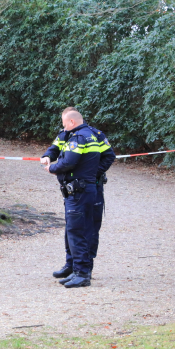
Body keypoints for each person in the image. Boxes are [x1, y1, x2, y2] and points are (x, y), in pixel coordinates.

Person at [40, 107, 115, 288]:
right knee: (73, 229)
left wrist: (90, 175)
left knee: (84, 229)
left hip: (86, 188)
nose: (63, 127)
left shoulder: (87, 135)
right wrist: (47, 156)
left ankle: (83, 271)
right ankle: (73, 266)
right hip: (79, 188)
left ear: (72, 121)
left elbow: (107, 156)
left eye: (65, 123)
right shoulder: (70, 134)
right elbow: (56, 146)